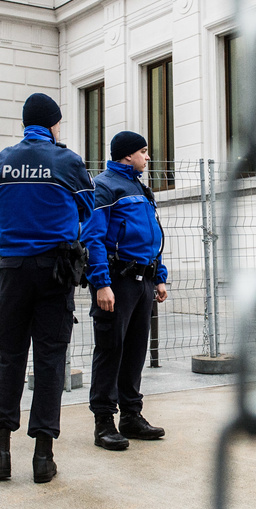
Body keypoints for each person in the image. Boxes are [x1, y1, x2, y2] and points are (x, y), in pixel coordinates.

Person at [0, 93, 94, 484]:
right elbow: (87, 210)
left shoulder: (1, 162)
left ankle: (0, 452)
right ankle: (43, 457)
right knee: (50, 360)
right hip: (55, 271)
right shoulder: (67, 160)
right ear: (53, 123)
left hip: (11, 271)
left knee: (8, 356)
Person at [81, 131, 169, 451]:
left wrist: (159, 276)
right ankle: (103, 422)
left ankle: (131, 416)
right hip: (116, 281)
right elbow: (93, 239)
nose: (148, 157)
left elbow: (154, 237)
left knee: (135, 351)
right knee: (110, 349)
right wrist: (101, 283)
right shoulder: (104, 186)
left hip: (143, 281)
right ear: (127, 155)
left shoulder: (142, 189)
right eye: (143, 151)